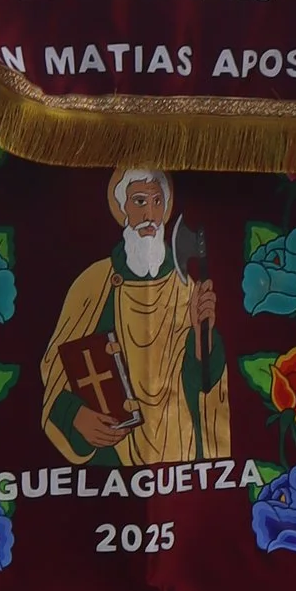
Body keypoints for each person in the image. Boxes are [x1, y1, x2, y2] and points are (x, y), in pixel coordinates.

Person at [39, 165, 231, 465]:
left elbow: (204, 382)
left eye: (157, 202)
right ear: (122, 209)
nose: (150, 216)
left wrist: (202, 333)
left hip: (177, 447)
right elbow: (55, 367)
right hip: (109, 454)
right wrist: (75, 415)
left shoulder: (185, 289)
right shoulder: (93, 283)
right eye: (139, 201)